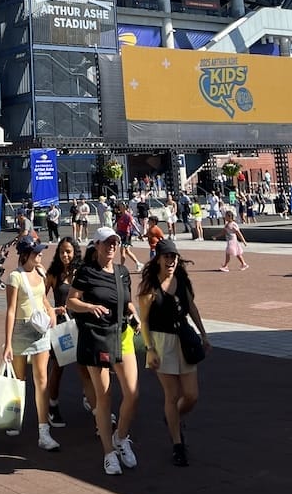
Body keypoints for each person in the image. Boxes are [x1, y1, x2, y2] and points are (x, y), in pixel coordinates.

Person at [67, 228, 140, 476]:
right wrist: (90, 306)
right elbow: (71, 302)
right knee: (104, 397)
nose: (111, 246)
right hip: (97, 338)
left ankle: (121, 437)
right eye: (107, 242)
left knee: (132, 393)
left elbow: (126, 300)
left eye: (115, 242)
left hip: (122, 335)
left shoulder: (122, 272)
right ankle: (109, 452)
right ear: (96, 245)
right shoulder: (87, 273)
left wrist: (134, 314)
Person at [138, 239, 211, 466]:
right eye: (167, 256)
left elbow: (191, 308)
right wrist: (150, 348)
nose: (171, 261)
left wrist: (203, 333)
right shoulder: (150, 287)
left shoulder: (181, 281)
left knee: (191, 395)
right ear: (158, 258)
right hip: (161, 342)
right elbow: (144, 322)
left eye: (174, 257)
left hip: (184, 339)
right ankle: (177, 444)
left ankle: (173, 418)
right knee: (171, 395)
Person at [1, 236, 60, 451]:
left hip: (40, 330)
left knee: (42, 379)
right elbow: (10, 310)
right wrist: (7, 343)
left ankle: (43, 431)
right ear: (26, 254)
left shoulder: (41, 272)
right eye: (36, 252)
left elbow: (43, 298)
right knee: (19, 379)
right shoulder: (15, 277)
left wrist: (51, 310)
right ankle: (15, 418)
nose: (40, 255)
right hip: (21, 329)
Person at [43, 236, 87, 427]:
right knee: (58, 368)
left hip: (81, 323)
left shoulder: (81, 272)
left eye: (68, 251)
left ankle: (90, 399)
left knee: (85, 366)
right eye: (62, 252)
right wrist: (52, 310)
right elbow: (40, 297)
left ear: (75, 252)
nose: (65, 255)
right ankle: (52, 406)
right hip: (61, 326)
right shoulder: (53, 273)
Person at [114, 202, 142, 272]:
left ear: (125, 207)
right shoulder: (120, 215)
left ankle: (122, 267)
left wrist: (139, 233)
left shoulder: (128, 215)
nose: (120, 207)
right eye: (119, 206)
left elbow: (133, 224)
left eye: (121, 206)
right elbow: (118, 225)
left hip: (126, 235)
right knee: (127, 251)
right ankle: (138, 263)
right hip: (120, 234)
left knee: (122, 251)